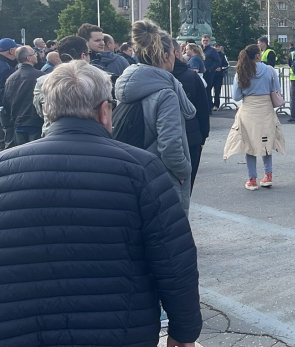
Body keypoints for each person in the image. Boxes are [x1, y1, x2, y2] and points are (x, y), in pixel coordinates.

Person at [0, 61, 202, 347]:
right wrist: (184, 333)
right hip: (119, 329)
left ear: (47, 110)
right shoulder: (141, 169)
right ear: (105, 110)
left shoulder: (4, 168)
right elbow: (174, 261)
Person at [114, 19, 197, 214]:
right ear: (166, 54)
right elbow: (170, 143)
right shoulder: (165, 93)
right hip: (161, 174)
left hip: (133, 168)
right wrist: (183, 170)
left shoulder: (127, 84)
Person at [223, 44, 286, 191]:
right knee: (266, 142)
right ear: (258, 56)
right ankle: (268, 176)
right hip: (265, 108)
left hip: (249, 109)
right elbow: (276, 89)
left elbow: (236, 96)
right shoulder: (269, 70)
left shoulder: (241, 71)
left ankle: (252, 179)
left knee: (249, 144)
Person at [171, 40, 211, 193]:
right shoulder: (189, 76)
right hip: (190, 136)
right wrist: (202, 137)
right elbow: (202, 109)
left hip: (186, 136)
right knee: (185, 189)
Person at [34, 36, 92, 137]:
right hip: (87, 135)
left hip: (52, 133)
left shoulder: (43, 81)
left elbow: (41, 111)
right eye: (89, 53)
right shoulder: (96, 80)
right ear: (83, 56)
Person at [2, 46, 44, 146]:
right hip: (36, 123)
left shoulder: (10, 79)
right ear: (28, 58)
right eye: (34, 54)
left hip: (18, 123)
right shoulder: (41, 76)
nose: (37, 55)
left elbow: (6, 103)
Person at [0, 38, 17, 149]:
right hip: (5, 109)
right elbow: (6, 91)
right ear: (11, 51)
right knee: (9, 140)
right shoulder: (6, 67)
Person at [201, 34, 224, 108]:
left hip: (209, 73)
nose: (205, 42)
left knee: (207, 90)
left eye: (206, 40)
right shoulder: (200, 50)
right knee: (203, 90)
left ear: (209, 41)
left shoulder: (212, 50)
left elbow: (218, 61)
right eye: (204, 40)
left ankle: (209, 108)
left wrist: (211, 69)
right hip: (201, 73)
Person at [211, 43, 230, 111]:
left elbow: (227, 65)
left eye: (218, 47)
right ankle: (211, 104)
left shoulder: (222, 55)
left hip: (218, 75)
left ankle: (216, 105)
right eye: (216, 47)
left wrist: (221, 68)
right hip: (211, 75)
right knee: (208, 90)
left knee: (217, 91)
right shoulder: (211, 54)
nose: (217, 48)